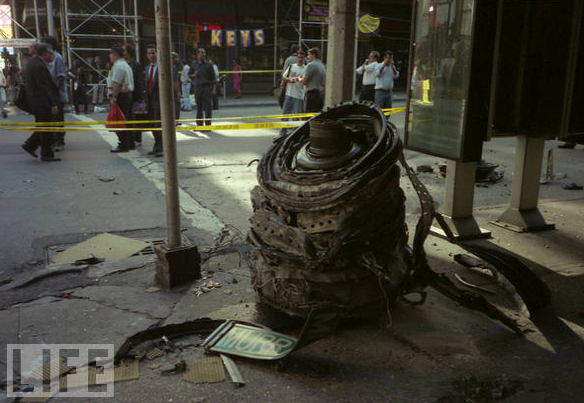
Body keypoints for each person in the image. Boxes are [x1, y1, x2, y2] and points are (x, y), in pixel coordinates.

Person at [21, 44, 61, 162]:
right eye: (51, 53)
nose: (53, 56)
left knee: (43, 126)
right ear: (44, 54)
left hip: (37, 101)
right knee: (46, 128)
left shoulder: (34, 63)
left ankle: (30, 145)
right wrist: (52, 104)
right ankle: (46, 154)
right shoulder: (38, 65)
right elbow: (43, 87)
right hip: (41, 103)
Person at [108, 45, 134, 153]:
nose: (110, 56)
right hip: (127, 95)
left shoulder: (118, 66)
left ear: (116, 54)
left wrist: (114, 97)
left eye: (111, 53)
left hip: (122, 96)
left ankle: (123, 144)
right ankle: (128, 143)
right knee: (126, 120)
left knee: (119, 120)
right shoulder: (125, 65)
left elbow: (116, 84)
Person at [43, 36, 68, 150]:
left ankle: (60, 140)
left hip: (57, 94)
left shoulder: (58, 58)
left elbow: (61, 76)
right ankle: (53, 139)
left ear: (51, 46)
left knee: (58, 118)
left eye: (45, 44)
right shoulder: (45, 58)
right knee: (52, 118)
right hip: (48, 93)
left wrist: (55, 91)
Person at [279, 50, 306, 136]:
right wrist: (290, 80)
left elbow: (305, 82)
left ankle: (294, 135)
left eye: (302, 58)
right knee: (285, 115)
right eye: (299, 57)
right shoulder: (291, 66)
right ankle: (282, 133)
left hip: (298, 96)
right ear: (296, 58)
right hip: (288, 94)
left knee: (296, 117)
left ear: (304, 58)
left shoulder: (306, 69)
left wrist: (299, 80)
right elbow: (283, 77)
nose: (300, 59)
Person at [124, 43, 145, 145]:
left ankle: (137, 139)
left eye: (124, 51)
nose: (123, 53)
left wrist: (140, 97)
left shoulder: (135, 65)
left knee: (136, 118)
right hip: (127, 96)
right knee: (129, 118)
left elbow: (140, 81)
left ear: (129, 53)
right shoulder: (123, 64)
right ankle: (130, 138)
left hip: (136, 96)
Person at [190, 47, 216, 127]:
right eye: (201, 52)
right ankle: (199, 125)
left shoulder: (208, 65)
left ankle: (208, 125)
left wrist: (214, 89)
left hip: (206, 88)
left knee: (208, 107)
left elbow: (213, 78)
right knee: (199, 107)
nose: (203, 54)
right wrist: (194, 75)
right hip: (197, 88)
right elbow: (189, 74)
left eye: (204, 52)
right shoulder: (193, 64)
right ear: (197, 54)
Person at [145, 44, 162, 157]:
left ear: (157, 53)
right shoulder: (147, 68)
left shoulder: (162, 67)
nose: (151, 55)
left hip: (159, 101)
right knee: (152, 125)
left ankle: (160, 147)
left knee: (158, 125)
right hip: (149, 101)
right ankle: (156, 145)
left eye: (153, 53)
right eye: (149, 53)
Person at [300, 47, 326, 113]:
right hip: (320, 94)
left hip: (311, 95)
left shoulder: (311, 65)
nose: (307, 57)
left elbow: (304, 81)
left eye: (308, 55)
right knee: (316, 115)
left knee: (308, 115)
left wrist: (299, 78)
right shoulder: (322, 65)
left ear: (313, 55)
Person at [171, 52, 182, 120]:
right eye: (177, 58)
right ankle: (176, 120)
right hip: (174, 91)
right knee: (176, 106)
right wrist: (178, 92)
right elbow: (175, 80)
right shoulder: (173, 67)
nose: (178, 59)